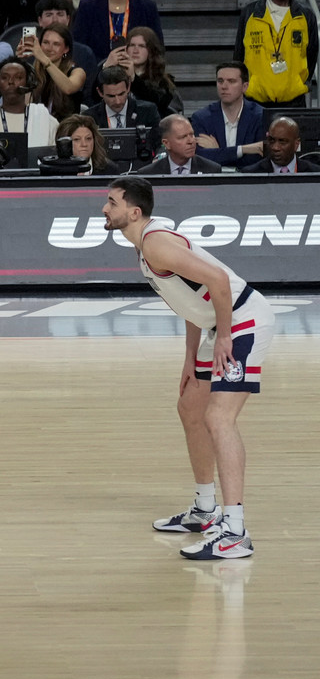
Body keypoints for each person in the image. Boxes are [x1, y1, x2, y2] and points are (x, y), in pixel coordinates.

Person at [105, 177, 274, 560]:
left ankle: (235, 532)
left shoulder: (156, 244)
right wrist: (190, 355)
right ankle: (204, 510)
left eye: (112, 202)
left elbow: (217, 280)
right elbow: (189, 297)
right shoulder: (145, 245)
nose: (105, 208)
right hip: (219, 325)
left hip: (243, 320)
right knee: (190, 407)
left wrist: (226, 336)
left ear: (134, 211)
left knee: (219, 418)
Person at [189, 62, 270, 170]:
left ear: (245, 86)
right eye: (220, 81)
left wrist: (218, 152)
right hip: (214, 178)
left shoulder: (261, 116)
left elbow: (258, 159)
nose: (224, 86)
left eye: (231, 81)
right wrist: (243, 150)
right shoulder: (201, 118)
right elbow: (201, 157)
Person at [135, 114, 224, 175]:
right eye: (183, 137)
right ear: (166, 143)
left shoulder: (212, 170)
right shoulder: (149, 174)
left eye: (192, 134)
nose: (191, 141)